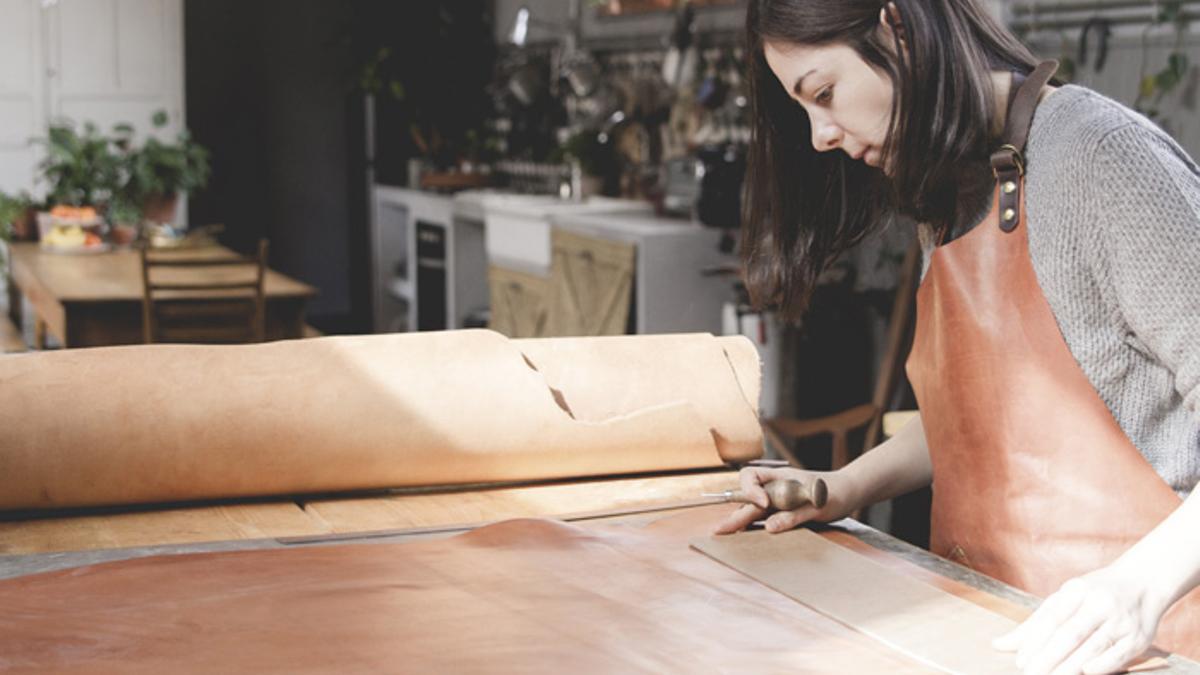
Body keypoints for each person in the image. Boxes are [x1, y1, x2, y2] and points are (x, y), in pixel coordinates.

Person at [715, 1, 1200, 673]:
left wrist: (1137, 590)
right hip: (990, 631)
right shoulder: (953, 194)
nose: (820, 134)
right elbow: (981, 424)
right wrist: (844, 486)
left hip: (1141, 648)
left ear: (899, 27)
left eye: (823, 93)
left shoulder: (1100, 157)